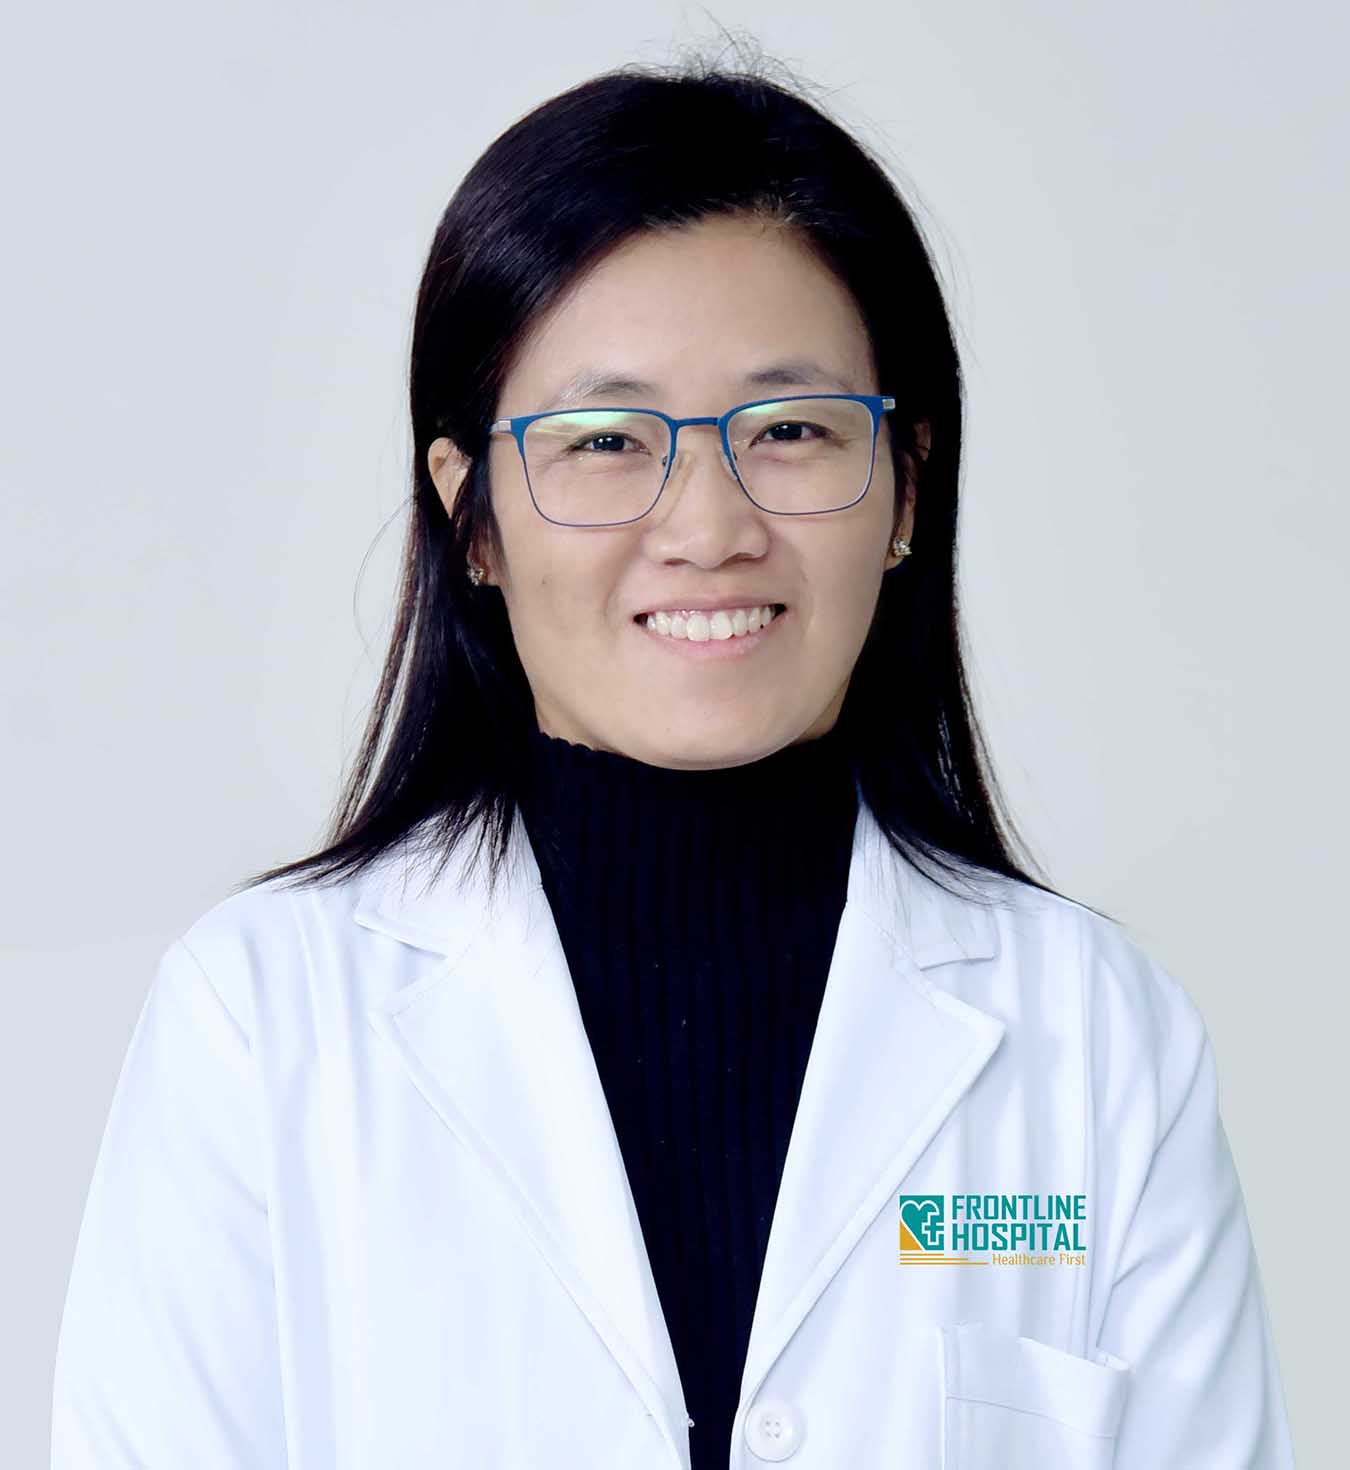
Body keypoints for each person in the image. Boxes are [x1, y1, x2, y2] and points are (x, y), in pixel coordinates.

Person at [51, 51, 1296, 1470]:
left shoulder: (1097, 1038)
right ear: (472, 519)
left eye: (791, 430)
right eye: (603, 440)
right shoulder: (261, 1023)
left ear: (904, 487)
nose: (708, 527)